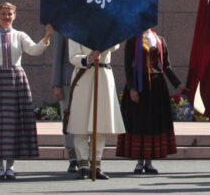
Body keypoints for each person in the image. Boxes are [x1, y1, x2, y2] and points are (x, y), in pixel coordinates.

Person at [0, 3, 52, 181]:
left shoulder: (20, 35)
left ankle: (11, 166)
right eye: (3, 14)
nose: (6, 17)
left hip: (16, 80)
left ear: (14, 16)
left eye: (10, 14)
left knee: (13, 124)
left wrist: (46, 38)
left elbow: (33, 50)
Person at [116, 29, 184, 174]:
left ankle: (149, 161)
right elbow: (128, 66)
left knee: (153, 123)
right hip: (138, 86)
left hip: (157, 87)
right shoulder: (133, 40)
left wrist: (178, 84)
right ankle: (139, 162)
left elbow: (166, 66)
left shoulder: (160, 40)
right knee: (139, 122)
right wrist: (132, 88)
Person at [66, 40, 124, 180]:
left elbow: (115, 45)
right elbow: (73, 57)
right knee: (80, 123)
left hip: (103, 75)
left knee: (101, 124)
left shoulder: (107, 29)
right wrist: (88, 58)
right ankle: (83, 165)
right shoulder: (75, 30)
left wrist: (103, 43)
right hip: (84, 75)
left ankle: (96, 165)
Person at [51, 35, 77, 172]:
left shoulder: (92, 23)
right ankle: (73, 158)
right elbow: (57, 57)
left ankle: (86, 156)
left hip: (88, 80)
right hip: (67, 81)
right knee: (68, 120)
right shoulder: (63, 26)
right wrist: (56, 84)